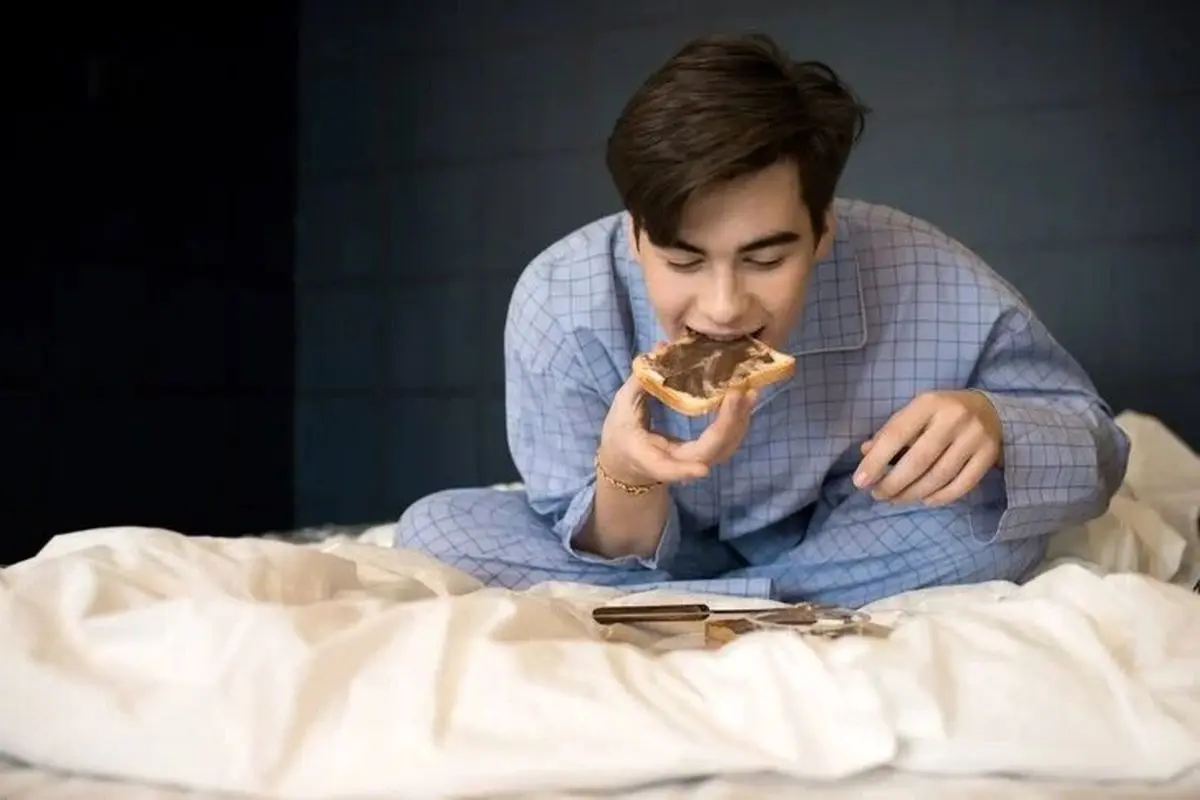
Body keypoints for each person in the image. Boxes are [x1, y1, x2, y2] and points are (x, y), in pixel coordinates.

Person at [395, 34, 1129, 608]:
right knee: (435, 531)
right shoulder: (560, 301)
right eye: (684, 261)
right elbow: (602, 547)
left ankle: (700, 608)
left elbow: (1097, 445)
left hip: (844, 535)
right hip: (662, 561)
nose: (723, 307)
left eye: (766, 259)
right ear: (636, 235)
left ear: (823, 229)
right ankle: (768, 604)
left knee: (987, 523)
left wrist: (994, 422)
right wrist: (627, 475)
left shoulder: (925, 270)